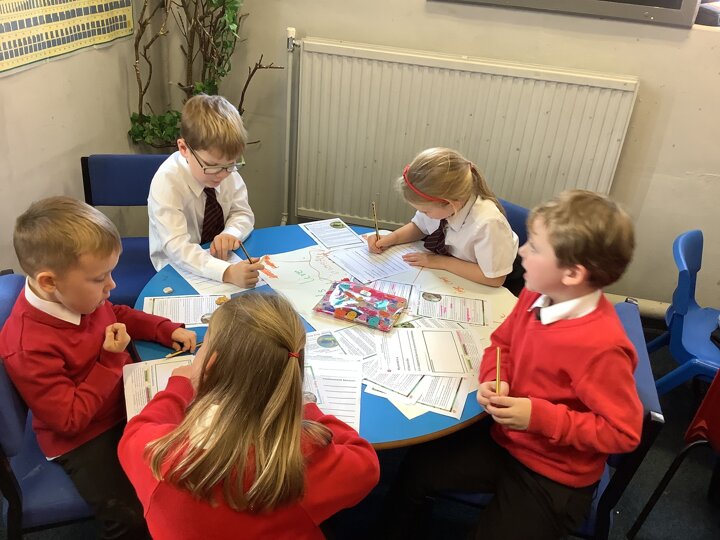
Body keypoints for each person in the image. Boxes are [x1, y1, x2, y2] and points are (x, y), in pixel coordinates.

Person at [381, 190, 643, 540]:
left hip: (553, 475)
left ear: (572, 273)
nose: (523, 252)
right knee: (416, 471)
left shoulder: (601, 347)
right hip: (507, 439)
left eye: (536, 248)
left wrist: (538, 416)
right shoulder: (537, 292)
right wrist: (496, 377)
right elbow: (502, 343)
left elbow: (622, 433)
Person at [0, 196, 197, 539]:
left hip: (120, 398)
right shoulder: (27, 345)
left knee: (190, 456)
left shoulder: (77, 297)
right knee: (134, 516)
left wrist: (163, 329)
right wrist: (111, 360)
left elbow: (114, 314)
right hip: (84, 438)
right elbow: (69, 421)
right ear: (49, 282)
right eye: (99, 278)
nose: (112, 286)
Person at [118, 292, 381, 540]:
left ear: (211, 363)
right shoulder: (303, 458)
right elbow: (366, 465)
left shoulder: (157, 453)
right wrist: (307, 407)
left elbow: (138, 429)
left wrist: (178, 387)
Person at [148, 94, 264, 288]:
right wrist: (226, 272)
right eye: (211, 166)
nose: (222, 174)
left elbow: (242, 213)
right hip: (177, 267)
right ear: (184, 148)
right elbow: (177, 247)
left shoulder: (226, 172)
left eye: (230, 164)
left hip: (223, 258)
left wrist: (231, 233)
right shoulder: (167, 182)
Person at [366, 147, 520, 290]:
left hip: (493, 281)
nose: (423, 214)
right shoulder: (445, 207)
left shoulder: (488, 224)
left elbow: (495, 278)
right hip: (454, 273)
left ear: (451, 203)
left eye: (425, 211)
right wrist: (391, 239)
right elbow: (419, 227)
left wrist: (438, 261)